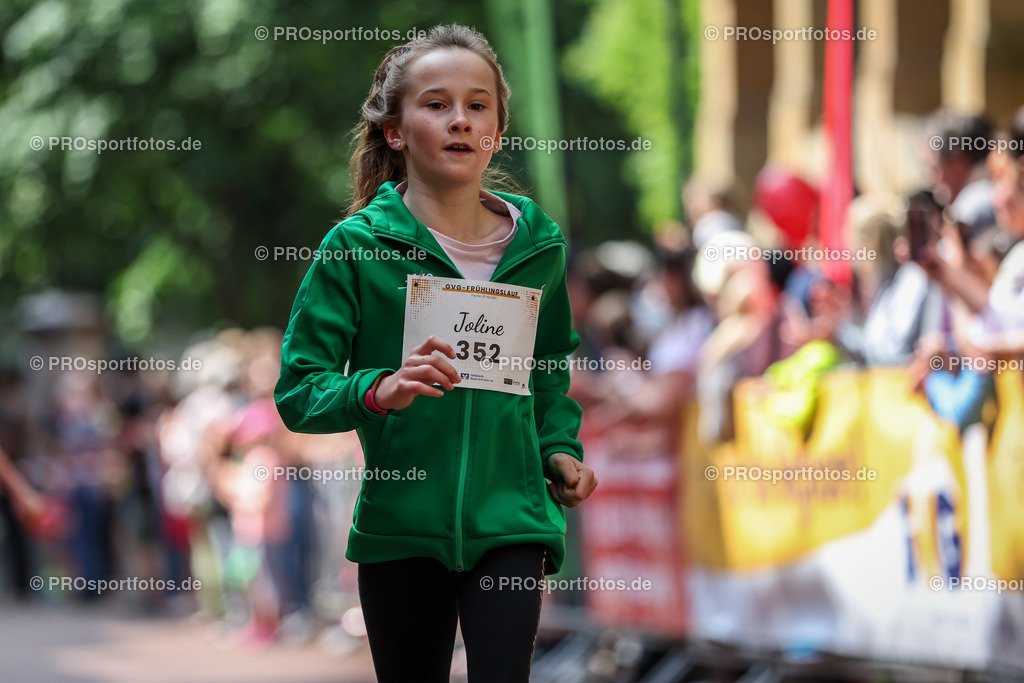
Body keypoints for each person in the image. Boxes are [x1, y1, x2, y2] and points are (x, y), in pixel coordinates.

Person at [274, 24, 597, 683]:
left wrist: (559, 450)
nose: (460, 120)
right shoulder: (354, 248)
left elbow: (547, 376)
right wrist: (378, 387)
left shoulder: (540, 247)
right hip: (401, 527)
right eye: (436, 104)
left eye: (478, 106)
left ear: (498, 131)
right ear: (395, 130)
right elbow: (298, 391)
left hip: (513, 524)